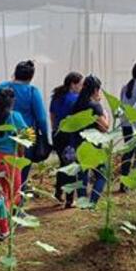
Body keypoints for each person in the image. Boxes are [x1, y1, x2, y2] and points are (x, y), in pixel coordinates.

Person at [0, 60, 49, 186]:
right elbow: (41, 119)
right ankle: (17, 201)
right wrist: (44, 136)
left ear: (15, 73)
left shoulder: (1, 88)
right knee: (20, 176)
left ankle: (2, 202)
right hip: (24, 139)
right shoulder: (32, 91)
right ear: (31, 76)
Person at [0, 87, 28, 237]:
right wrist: (22, 156)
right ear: (13, 101)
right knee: (14, 194)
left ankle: (3, 230)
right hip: (11, 159)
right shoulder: (15, 117)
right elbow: (23, 139)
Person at [69, 75, 109, 204]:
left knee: (82, 174)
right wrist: (105, 113)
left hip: (78, 143)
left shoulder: (76, 105)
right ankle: (93, 201)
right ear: (96, 90)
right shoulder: (94, 106)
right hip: (93, 145)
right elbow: (104, 127)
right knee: (102, 174)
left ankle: (81, 201)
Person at [49, 72, 83, 205]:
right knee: (72, 167)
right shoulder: (76, 99)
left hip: (58, 134)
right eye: (80, 84)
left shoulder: (57, 97)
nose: (81, 87)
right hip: (71, 136)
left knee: (63, 165)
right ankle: (69, 199)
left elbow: (52, 115)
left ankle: (58, 192)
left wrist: (54, 129)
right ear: (73, 84)